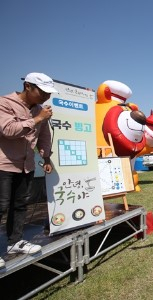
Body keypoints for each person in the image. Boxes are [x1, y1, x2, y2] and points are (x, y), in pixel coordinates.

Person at [0, 72, 57, 268]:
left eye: (49, 93)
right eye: (43, 92)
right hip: (4, 164)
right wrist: (37, 119)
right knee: (1, 206)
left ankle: (15, 242)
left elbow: (44, 137)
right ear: (28, 87)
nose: (46, 97)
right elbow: (8, 131)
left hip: (27, 165)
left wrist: (46, 157)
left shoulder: (40, 110)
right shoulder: (5, 103)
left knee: (20, 205)